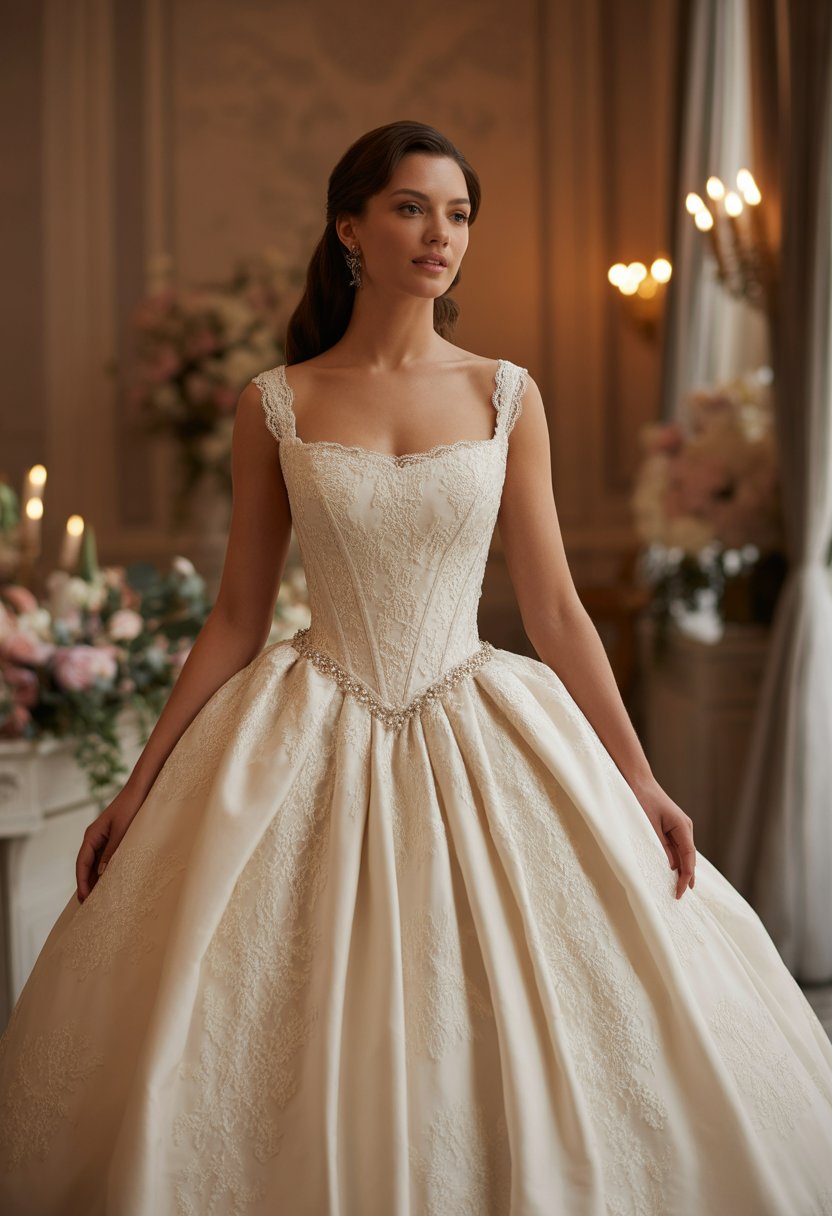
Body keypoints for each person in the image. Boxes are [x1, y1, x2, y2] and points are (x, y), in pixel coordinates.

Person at [1, 118, 832, 1216]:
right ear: (350, 227)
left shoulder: (506, 394)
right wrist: (139, 787)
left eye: (457, 213)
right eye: (410, 207)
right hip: (305, 719)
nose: (439, 234)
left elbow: (555, 608)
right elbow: (237, 615)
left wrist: (638, 778)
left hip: (479, 708)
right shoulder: (274, 401)